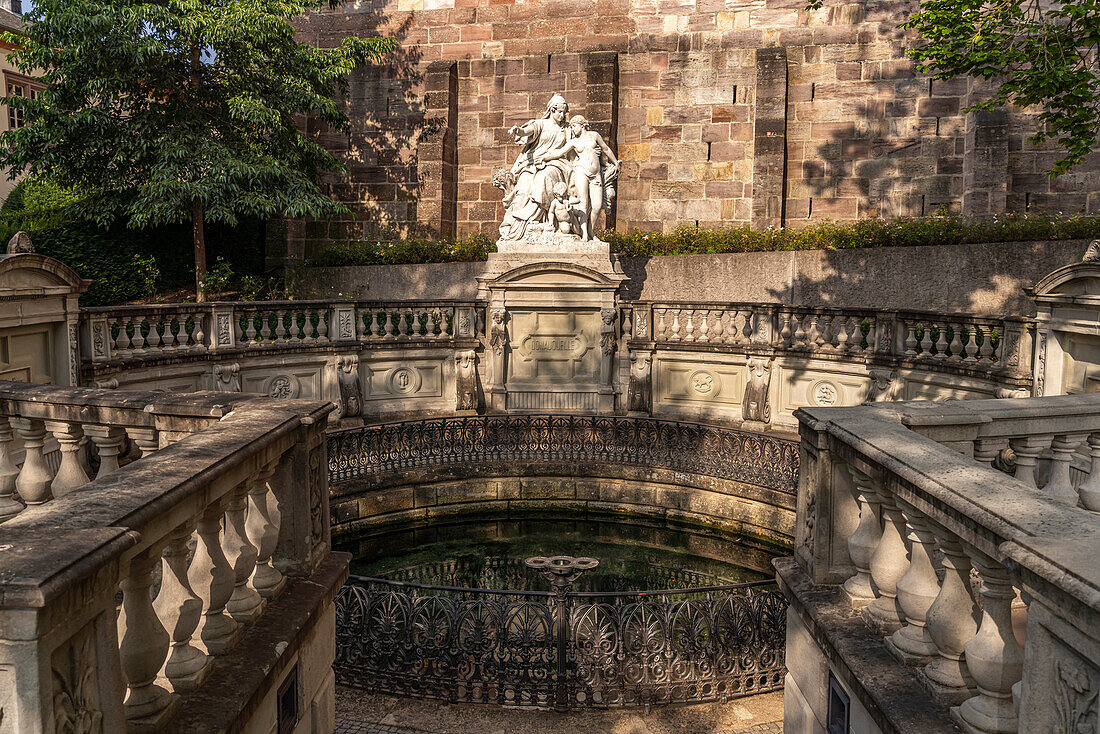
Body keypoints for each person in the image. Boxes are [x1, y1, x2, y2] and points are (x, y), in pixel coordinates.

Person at [497, 95, 574, 241]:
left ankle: (543, 221)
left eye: (564, 113)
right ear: (552, 110)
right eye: (559, 112)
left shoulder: (567, 129)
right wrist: (517, 130)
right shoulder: (540, 124)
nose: (562, 115)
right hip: (531, 164)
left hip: (555, 164)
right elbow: (527, 131)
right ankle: (519, 227)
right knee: (524, 186)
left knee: (543, 178)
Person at [537, 115, 621, 241]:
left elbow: (606, 149)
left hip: (596, 175)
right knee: (584, 204)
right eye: (571, 127)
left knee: (597, 206)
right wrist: (543, 157)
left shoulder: (594, 135)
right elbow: (559, 153)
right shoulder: (573, 142)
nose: (573, 129)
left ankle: (591, 230)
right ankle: (585, 233)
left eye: (574, 126)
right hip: (581, 172)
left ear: (582, 125)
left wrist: (615, 162)